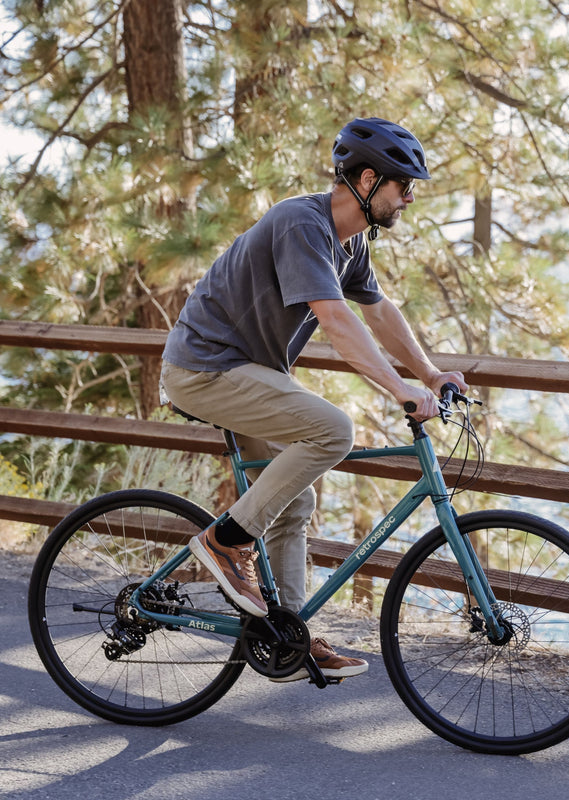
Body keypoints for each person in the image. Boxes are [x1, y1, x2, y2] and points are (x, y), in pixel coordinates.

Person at [160, 117, 468, 682]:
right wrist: (399, 389)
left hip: (248, 371)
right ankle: (225, 542)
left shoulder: (348, 244)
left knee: (293, 502)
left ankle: (286, 636)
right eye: (405, 186)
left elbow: (377, 312)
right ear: (370, 180)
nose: (409, 199)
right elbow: (336, 320)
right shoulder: (301, 222)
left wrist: (428, 370)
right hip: (204, 368)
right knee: (334, 430)